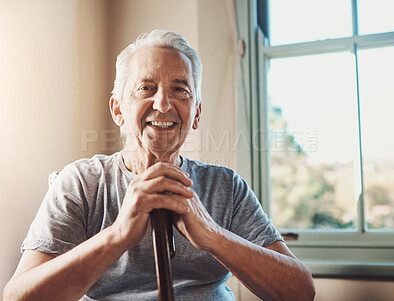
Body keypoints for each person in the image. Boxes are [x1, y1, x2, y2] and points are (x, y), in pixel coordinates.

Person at [3, 30, 315, 301]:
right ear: (118, 110)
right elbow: (18, 296)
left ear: (196, 114)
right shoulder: (81, 183)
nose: (163, 104)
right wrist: (118, 234)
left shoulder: (226, 187)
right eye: (146, 88)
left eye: (180, 89)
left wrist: (212, 234)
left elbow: (300, 292)